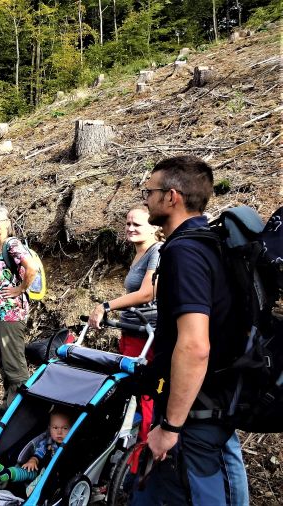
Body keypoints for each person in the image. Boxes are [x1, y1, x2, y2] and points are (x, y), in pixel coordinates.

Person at [133, 155, 247, 505]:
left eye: (150, 190)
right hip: (202, 406)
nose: (145, 197)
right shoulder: (208, 242)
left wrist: (170, 428)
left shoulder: (186, 253)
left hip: (196, 419)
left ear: (172, 197)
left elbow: (195, 345)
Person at [87, 205, 161, 442]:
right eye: (128, 224)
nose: (130, 228)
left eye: (137, 224)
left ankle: (143, 449)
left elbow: (147, 293)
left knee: (145, 394)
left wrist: (106, 306)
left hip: (145, 334)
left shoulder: (157, 251)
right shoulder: (139, 252)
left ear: (154, 228)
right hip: (130, 331)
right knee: (127, 390)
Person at [0, 205, 39, 413]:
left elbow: (31, 267)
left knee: (14, 364)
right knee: (2, 359)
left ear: (8, 223)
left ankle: (21, 410)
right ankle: (8, 404)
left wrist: (20, 289)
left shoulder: (12, 244)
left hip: (10, 313)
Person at [0, 408, 73, 484]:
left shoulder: (71, 446)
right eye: (55, 428)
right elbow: (39, 453)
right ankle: (6, 473)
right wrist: (33, 460)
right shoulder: (47, 442)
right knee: (25, 471)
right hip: (38, 472)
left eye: (65, 428)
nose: (59, 432)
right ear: (49, 428)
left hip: (54, 478)